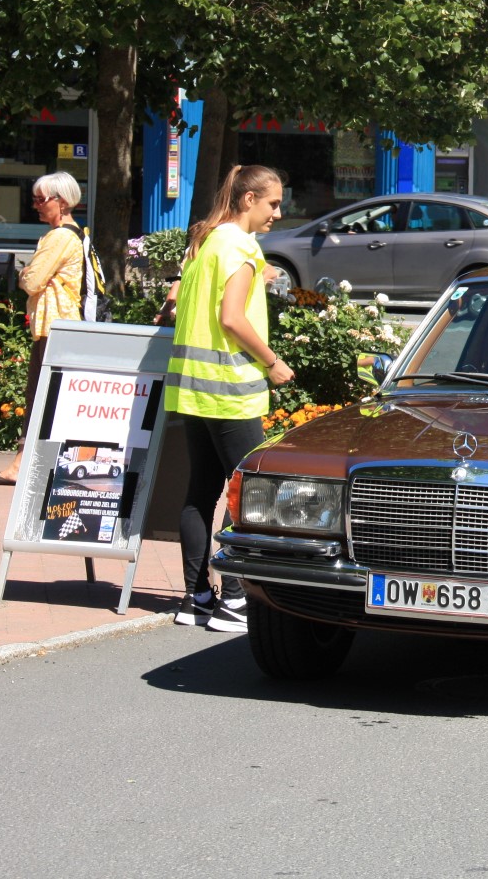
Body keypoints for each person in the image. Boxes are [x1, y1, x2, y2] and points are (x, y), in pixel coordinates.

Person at [165, 165, 295, 632]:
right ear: (248, 200)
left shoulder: (207, 241)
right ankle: (236, 599)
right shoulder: (242, 246)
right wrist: (271, 361)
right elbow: (232, 318)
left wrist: (257, 278)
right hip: (231, 391)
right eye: (272, 203)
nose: (277, 213)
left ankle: (195, 597)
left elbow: (185, 304)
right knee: (249, 495)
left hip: (192, 386)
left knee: (199, 491)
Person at [0, 172, 85, 486]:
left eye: (42, 200)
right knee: (46, 396)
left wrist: (26, 274)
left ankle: (23, 463)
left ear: (63, 201)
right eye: (35, 199)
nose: (36, 206)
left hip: (54, 325)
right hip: (58, 325)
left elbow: (30, 281)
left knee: (40, 396)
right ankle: (36, 462)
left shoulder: (60, 237)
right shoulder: (71, 233)